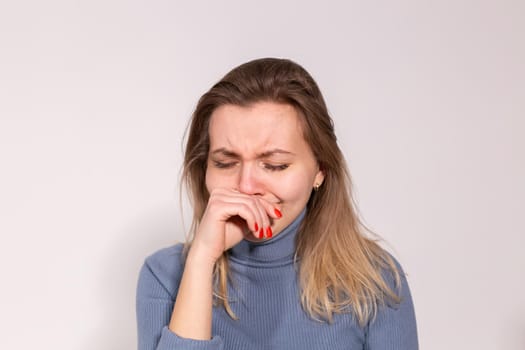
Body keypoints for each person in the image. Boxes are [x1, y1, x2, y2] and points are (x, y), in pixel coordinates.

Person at [136, 58, 418, 349]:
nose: (246, 186)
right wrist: (201, 259)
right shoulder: (165, 276)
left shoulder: (375, 280)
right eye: (225, 163)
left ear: (320, 170)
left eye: (275, 165)